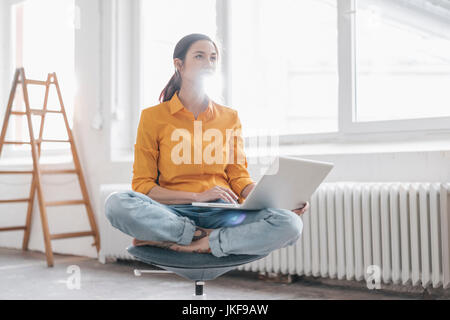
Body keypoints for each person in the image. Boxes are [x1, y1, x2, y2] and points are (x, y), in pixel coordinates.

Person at [105, 33, 310, 256]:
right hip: (172, 212)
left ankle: (203, 241)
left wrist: (280, 200)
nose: (208, 63)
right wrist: (196, 197)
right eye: (200, 56)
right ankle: (192, 233)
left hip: (223, 212)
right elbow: (143, 186)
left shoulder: (229, 117)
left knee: (290, 223)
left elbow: (238, 177)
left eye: (213, 58)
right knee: (116, 203)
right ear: (179, 65)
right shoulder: (153, 117)